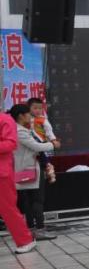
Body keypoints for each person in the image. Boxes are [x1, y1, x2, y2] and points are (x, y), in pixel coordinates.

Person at [11, 104, 56, 239]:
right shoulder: (20, 132)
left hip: (26, 168)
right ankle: (39, 229)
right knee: (36, 200)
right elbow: (36, 146)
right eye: (29, 114)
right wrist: (52, 144)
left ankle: (31, 230)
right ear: (21, 116)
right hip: (28, 169)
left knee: (30, 200)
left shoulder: (23, 129)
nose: (32, 116)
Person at [0, 109, 37, 254]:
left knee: (8, 208)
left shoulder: (5, 120)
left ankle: (25, 240)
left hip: (2, 173)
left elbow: (11, 144)